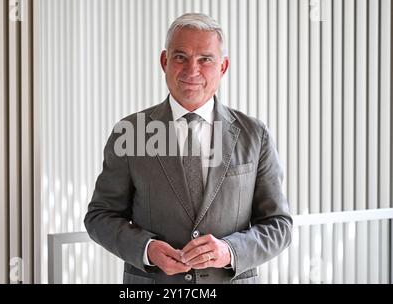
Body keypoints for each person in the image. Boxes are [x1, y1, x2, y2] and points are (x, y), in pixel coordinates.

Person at [84, 13, 292, 284]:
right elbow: (100, 216)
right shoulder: (130, 132)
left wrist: (229, 251)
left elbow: (279, 225)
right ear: (164, 61)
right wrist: (147, 249)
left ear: (223, 66)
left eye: (205, 59)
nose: (192, 70)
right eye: (180, 57)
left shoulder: (255, 135)